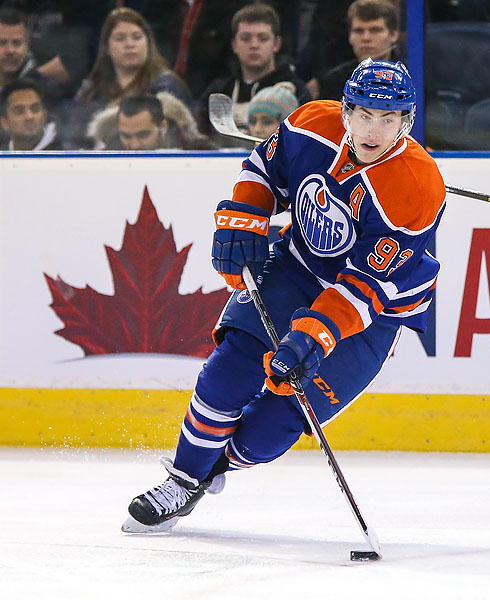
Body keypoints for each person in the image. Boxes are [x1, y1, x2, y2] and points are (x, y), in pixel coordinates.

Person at [123, 58, 446, 531]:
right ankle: (184, 479)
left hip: (374, 312)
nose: (374, 130)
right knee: (228, 371)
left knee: (272, 428)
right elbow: (263, 171)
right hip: (297, 266)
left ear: (407, 121)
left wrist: (312, 337)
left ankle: (216, 467)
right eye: (364, 115)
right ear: (346, 110)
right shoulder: (312, 123)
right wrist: (245, 216)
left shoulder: (416, 189)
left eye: (389, 118)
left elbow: (364, 287)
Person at [197, 3, 311, 138]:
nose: (254, 45)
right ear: (234, 45)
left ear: (276, 44)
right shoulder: (218, 91)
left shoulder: (298, 92)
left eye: (263, 38)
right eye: (246, 38)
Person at [74, 7, 191, 110]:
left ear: (148, 43)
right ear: (106, 48)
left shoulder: (167, 86)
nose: (130, 44)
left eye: (137, 37)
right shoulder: (91, 90)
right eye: (120, 38)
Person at [311, 0, 401, 101]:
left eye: (375, 30)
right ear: (350, 36)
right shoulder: (332, 81)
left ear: (394, 35)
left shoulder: (413, 76)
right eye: (358, 31)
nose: (366, 38)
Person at [84, 91, 213, 151]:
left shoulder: (197, 151)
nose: (134, 145)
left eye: (143, 134)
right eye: (126, 136)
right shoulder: (108, 156)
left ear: (163, 126)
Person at [0, 8, 61, 101]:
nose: (10, 51)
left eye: (17, 43)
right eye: (2, 43)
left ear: (27, 45)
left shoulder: (46, 90)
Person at [0, 78, 63, 150]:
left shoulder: (69, 154)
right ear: (4, 123)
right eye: (19, 111)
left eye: (35, 109)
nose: (29, 117)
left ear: (44, 116)